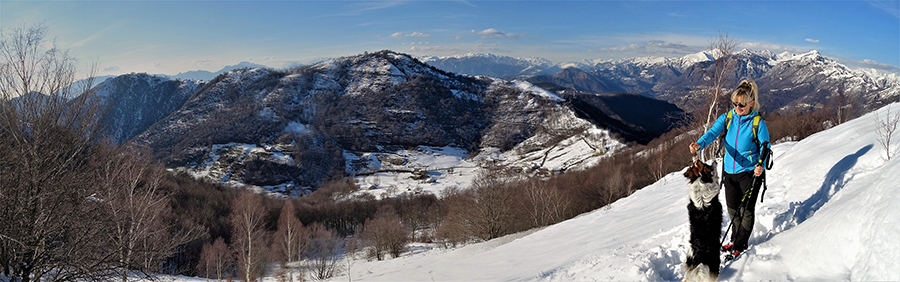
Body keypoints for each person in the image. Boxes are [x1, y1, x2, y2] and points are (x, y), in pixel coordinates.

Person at [689, 80, 770, 259]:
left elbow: (765, 147)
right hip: (730, 172)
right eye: (735, 103)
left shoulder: (757, 123)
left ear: (751, 103)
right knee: (733, 209)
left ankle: (740, 245)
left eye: (741, 104)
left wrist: (760, 166)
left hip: (749, 173)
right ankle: (734, 240)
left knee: (746, 210)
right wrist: (699, 144)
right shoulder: (727, 118)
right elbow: (712, 133)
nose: (737, 107)